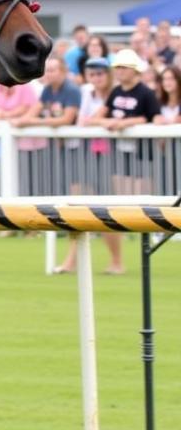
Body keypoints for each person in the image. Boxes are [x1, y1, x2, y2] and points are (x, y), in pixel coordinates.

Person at [54, 57, 123, 274]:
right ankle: (71, 261)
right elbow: (85, 120)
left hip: (110, 157)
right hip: (86, 154)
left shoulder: (116, 94)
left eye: (100, 74)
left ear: (108, 74)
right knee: (77, 206)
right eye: (92, 74)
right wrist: (101, 122)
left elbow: (95, 119)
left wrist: (97, 121)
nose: (96, 78)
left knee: (106, 210)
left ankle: (117, 261)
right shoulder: (86, 93)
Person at [92, 48, 160, 195]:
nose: (119, 71)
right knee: (121, 195)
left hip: (143, 154)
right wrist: (108, 123)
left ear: (134, 69)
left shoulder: (147, 93)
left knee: (142, 197)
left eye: (123, 67)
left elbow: (153, 118)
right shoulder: (115, 91)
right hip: (120, 153)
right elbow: (96, 117)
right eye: (117, 67)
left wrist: (124, 123)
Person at [9, 55, 81, 193]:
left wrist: (31, 122)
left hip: (75, 145)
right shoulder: (47, 89)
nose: (48, 74)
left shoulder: (72, 90)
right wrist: (22, 120)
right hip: (57, 145)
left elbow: (66, 119)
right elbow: (34, 110)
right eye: (47, 70)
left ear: (63, 71)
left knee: (74, 181)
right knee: (58, 181)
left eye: (53, 70)